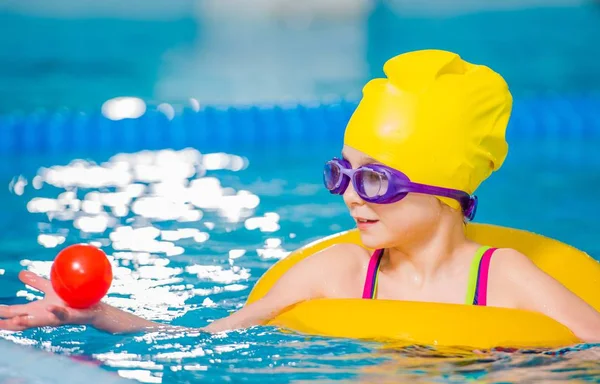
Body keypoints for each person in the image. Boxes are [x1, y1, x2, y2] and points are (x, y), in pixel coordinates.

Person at [2, 50, 600, 343]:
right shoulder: (334, 272)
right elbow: (205, 340)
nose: (351, 197)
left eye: (376, 180)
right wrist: (96, 315)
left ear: (446, 191)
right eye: (344, 173)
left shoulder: (504, 279)